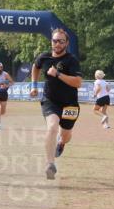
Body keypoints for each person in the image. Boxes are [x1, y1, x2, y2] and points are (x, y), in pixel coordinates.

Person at [29, 29, 83, 180]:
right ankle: (50, 164)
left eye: (61, 41)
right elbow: (36, 66)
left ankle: (61, 143)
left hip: (70, 104)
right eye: (54, 41)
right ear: (51, 41)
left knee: (66, 135)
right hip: (50, 100)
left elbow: (78, 83)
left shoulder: (71, 60)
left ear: (66, 43)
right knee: (52, 126)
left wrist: (58, 74)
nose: (57, 44)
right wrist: (33, 85)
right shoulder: (44, 57)